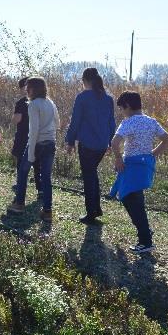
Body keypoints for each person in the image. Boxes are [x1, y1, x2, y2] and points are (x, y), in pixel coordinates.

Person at [109, 91, 168, 254]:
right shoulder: (151, 122)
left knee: (129, 199)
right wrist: (153, 153)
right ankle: (144, 231)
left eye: (122, 109)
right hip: (145, 165)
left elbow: (114, 143)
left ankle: (145, 240)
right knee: (137, 199)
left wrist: (118, 159)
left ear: (128, 106)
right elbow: (167, 140)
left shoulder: (128, 122)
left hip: (131, 166)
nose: (122, 113)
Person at [65, 68, 116, 224]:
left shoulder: (83, 97)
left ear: (85, 81)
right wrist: (110, 142)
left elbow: (75, 121)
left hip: (87, 144)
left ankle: (91, 212)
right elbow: (111, 122)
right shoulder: (108, 98)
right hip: (101, 144)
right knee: (92, 174)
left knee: (88, 177)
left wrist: (70, 141)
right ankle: (96, 208)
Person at [7, 77, 59, 224]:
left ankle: (19, 204)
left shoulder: (33, 105)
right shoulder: (50, 102)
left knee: (23, 172)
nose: (26, 90)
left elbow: (34, 129)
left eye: (28, 87)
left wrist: (30, 153)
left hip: (36, 143)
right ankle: (48, 211)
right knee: (46, 177)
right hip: (50, 143)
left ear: (33, 89)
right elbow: (58, 122)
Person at [11, 77, 42, 199]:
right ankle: (41, 189)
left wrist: (13, 118)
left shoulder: (21, 102)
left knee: (21, 163)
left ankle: (20, 184)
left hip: (23, 136)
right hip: (38, 136)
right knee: (37, 164)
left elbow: (17, 119)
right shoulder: (42, 101)